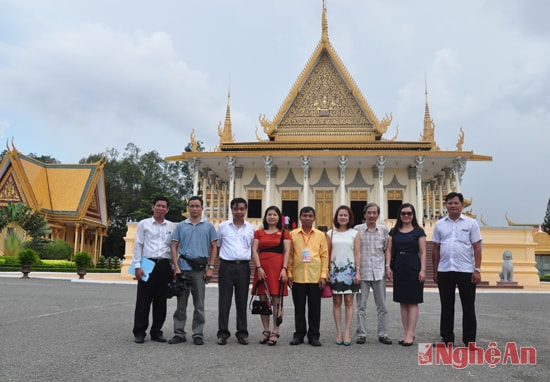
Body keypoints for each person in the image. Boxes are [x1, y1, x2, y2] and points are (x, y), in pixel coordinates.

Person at [432, 192, 482, 347]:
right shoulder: (440, 224)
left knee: (468, 305)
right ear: (446, 205)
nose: (452, 206)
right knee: (446, 305)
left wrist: (477, 269)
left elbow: (477, 247)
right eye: (449, 203)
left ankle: (469, 339)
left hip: (466, 269)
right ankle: (447, 338)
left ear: (462, 205)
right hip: (445, 269)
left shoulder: (471, 224)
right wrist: (435, 271)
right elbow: (435, 249)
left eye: (456, 203)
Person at [169, 196, 217, 346]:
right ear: (188, 208)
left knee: (199, 304)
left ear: (202, 208)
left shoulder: (208, 227)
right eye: (192, 206)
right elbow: (174, 246)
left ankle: (198, 333)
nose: (194, 209)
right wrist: (176, 267)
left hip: (200, 270)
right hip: (183, 268)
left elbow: (214, 247)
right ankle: (179, 333)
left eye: (197, 206)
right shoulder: (181, 226)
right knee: (181, 304)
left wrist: (211, 267)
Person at [212, 197, 255, 345]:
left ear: (245, 210)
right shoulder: (223, 226)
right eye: (236, 209)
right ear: (231, 210)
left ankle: (242, 333)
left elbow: (252, 247)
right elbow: (217, 246)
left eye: (242, 209)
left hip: (243, 267)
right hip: (226, 266)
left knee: (241, 301)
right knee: (224, 301)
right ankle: (223, 333)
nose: (239, 212)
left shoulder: (250, 228)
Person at [132, 196, 174, 344]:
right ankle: (139, 332)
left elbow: (174, 248)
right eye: (158, 205)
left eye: (164, 206)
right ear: (153, 207)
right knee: (143, 300)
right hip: (147, 264)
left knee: (161, 300)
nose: (161, 208)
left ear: (167, 210)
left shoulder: (171, 227)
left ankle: (157, 331)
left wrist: (175, 268)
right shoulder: (144, 224)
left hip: (164, 265)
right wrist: (137, 265)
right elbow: (138, 245)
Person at [385, 203, 426, 347]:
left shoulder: (418, 232)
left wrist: (422, 270)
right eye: (403, 213)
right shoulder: (394, 231)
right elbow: (389, 250)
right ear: (399, 215)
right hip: (399, 266)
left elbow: (422, 252)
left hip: (413, 266)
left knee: (413, 301)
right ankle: (405, 332)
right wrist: (388, 266)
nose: (406, 216)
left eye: (409, 213)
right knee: (402, 301)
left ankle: (411, 333)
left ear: (413, 215)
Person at [287, 206, 329, 347]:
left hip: (315, 276)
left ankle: (314, 336)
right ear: (300, 217)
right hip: (298, 276)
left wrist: (323, 275)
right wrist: (289, 273)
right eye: (305, 215)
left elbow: (324, 256)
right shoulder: (293, 234)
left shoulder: (320, 235)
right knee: (299, 308)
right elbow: (290, 255)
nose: (307, 218)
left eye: (310, 216)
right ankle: (299, 334)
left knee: (314, 308)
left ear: (314, 218)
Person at [251, 206, 290, 346]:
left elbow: (287, 252)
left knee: (276, 299)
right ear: (265, 217)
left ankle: (275, 330)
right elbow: (254, 250)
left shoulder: (284, 233)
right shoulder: (259, 233)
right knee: (263, 300)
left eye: (274, 214)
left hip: (278, 267)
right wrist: (259, 267)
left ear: (279, 217)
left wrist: (284, 269)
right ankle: (266, 330)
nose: (272, 217)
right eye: (269, 214)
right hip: (262, 268)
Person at [354, 202, 392, 345]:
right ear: (364, 214)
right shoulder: (357, 229)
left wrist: (388, 266)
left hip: (379, 271)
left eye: (374, 213)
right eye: (369, 213)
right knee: (361, 306)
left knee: (382, 305)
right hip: (362, 272)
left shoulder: (383, 230)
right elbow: (355, 251)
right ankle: (361, 334)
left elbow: (387, 250)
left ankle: (383, 333)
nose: (371, 215)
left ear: (378, 215)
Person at [327, 205, 361, 346]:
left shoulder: (354, 233)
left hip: (349, 271)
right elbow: (327, 254)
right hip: (335, 270)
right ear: (336, 217)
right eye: (340, 215)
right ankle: (338, 332)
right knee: (336, 303)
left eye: (345, 215)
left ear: (349, 217)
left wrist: (358, 271)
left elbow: (357, 253)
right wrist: (326, 271)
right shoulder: (330, 234)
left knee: (349, 301)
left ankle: (347, 331)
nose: (343, 217)